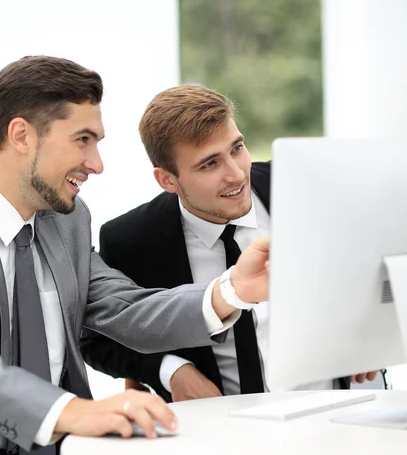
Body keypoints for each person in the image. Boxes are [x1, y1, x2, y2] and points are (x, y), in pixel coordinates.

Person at [0, 57, 271, 455]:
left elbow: (126, 309)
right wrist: (70, 412)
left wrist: (232, 291)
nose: (97, 164)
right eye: (82, 141)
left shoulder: (67, 220)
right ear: (22, 135)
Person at [81, 85, 378, 403]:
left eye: (236, 148)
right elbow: (100, 341)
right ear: (167, 180)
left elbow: (376, 272)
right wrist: (170, 370)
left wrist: (372, 335)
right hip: (217, 431)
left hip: (333, 412)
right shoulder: (131, 239)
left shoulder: (312, 188)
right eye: (210, 164)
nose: (236, 175)